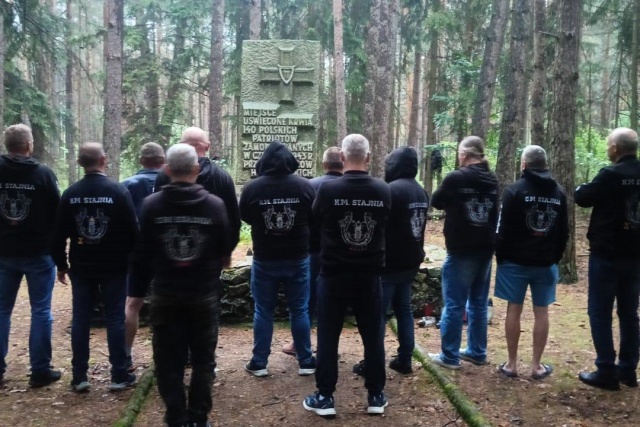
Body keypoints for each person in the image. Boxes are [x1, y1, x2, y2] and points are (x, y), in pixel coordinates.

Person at [129, 143, 231, 427]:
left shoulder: (151, 206)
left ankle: (175, 417)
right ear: (197, 169)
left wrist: (137, 291)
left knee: (167, 360)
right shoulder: (215, 205)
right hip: (203, 293)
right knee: (203, 359)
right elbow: (225, 247)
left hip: (166, 293)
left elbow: (142, 253)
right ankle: (198, 418)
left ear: (167, 169)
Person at [303, 134, 391, 417]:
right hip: (369, 274)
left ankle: (325, 396)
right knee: (373, 335)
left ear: (342, 157)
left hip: (333, 274)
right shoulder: (382, 190)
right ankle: (375, 395)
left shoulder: (328, 190)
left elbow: (315, 221)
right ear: (368, 157)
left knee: (328, 336)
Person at [53, 142, 138, 392]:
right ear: (103, 160)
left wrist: (61, 264)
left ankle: (79, 376)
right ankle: (119, 374)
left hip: (82, 266)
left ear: (80, 163)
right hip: (114, 265)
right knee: (115, 318)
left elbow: (58, 234)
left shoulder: (70, 193)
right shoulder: (118, 191)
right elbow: (133, 231)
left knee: (81, 318)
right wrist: (131, 259)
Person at [239, 141, 316, 377]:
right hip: (297, 257)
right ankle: (305, 360)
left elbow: (246, 216)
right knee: (299, 310)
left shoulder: (252, 188)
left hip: (265, 257)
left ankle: (259, 362)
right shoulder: (305, 187)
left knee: (263, 310)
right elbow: (314, 216)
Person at [353, 146, 429, 376]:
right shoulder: (420, 191)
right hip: (410, 261)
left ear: (393, 166)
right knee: (403, 310)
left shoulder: (390, 190)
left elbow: (376, 225)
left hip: (389, 264)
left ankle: (372, 362)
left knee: (376, 315)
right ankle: (405, 359)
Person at [494, 145, 568, 380]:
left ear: (524, 165)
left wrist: (501, 256)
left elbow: (502, 229)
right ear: (545, 165)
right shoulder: (558, 193)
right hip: (545, 263)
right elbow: (563, 232)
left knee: (513, 309)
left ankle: (511, 365)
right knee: (541, 312)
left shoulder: (514, 191)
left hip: (514, 262)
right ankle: (536, 366)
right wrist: (554, 258)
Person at [575, 127, 640, 390]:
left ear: (615, 148)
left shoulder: (610, 175)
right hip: (635, 256)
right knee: (629, 312)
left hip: (607, 254)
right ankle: (628, 370)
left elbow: (582, 197)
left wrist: (581, 186)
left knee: (599, 312)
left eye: (608, 145)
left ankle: (606, 370)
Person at [428, 136, 498, 369]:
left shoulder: (456, 178)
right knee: (478, 303)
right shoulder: (492, 179)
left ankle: (449, 356)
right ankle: (477, 351)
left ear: (464, 155)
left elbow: (436, 201)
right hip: (485, 248)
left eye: (459, 154)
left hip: (461, 249)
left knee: (454, 304)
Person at [0, 124, 61, 387]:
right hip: (38, 252)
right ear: (29, 145)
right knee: (41, 310)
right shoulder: (43, 175)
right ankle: (40, 370)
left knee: (1, 310)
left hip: (4, 252)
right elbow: (58, 214)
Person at [282, 146, 343, 357]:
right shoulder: (351, 186)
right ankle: (329, 347)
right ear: (343, 162)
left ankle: (300, 344)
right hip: (341, 254)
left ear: (324, 164)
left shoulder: (310, 185)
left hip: (313, 251)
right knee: (333, 302)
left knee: (306, 301)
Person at [122, 142, 165, 370]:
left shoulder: (127, 186)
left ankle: (125, 356)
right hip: (167, 252)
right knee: (172, 302)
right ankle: (175, 355)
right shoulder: (172, 183)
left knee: (132, 303)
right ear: (163, 160)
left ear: (141, 160)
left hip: (137, 253)